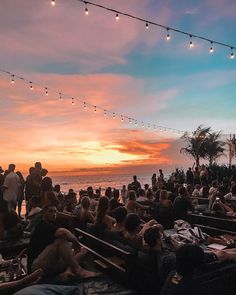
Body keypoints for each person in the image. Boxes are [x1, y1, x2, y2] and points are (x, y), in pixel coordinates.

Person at [27, 205, 99, 280]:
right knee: (61, 241)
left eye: (55, 211)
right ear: (44, 214)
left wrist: (74, 246)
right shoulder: (42, 225)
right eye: (50, 211)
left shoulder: (52, 223)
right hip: (36, 267)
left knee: (83, 250)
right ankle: (79, 270)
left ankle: (68, 271)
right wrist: (75, 241)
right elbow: (64, 232)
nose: (53, 214)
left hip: (49, 262)